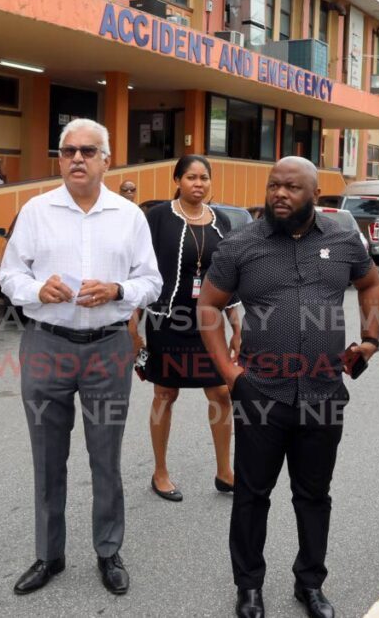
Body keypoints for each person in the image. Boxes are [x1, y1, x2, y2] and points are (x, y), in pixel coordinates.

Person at [198, 157, 379, 618]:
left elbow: (371, 285)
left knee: (314, 495)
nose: (280, 194)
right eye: (274, 186)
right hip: (261, 391)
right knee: (251, 495)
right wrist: (229, 372)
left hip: (323, 392)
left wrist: (371, 338)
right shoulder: (241, 244)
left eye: (292, 188)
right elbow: (208, 306)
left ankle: (310, 583)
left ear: (315, 195)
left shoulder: (344, 240)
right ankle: (249, 587)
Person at [0, 118, 163, 598]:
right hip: (46, 345)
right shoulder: (35, 211)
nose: (76, 158)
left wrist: (117, 289)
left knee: (105, 456)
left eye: (88, 151)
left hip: (109, 348)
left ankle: (108, 550)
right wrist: (35, 289)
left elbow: (150, 282)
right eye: (68, 150)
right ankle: (49, 554)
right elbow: (9, 276)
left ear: (106, 160)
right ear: (60, 157)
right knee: (48, 457)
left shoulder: (128, 216)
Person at [133, 155, 242, 501]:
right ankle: (160, 472)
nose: (199, 184)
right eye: (191, 177)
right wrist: (131, 326)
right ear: (177, 179)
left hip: (208, 323)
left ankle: (225, 471)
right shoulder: (159, 217)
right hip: (165, 320)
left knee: (221, 392)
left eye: (204, 178)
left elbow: (229, 275)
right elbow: (140, 269)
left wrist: (237, 325)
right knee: (165, 393)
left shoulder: (221, 221)